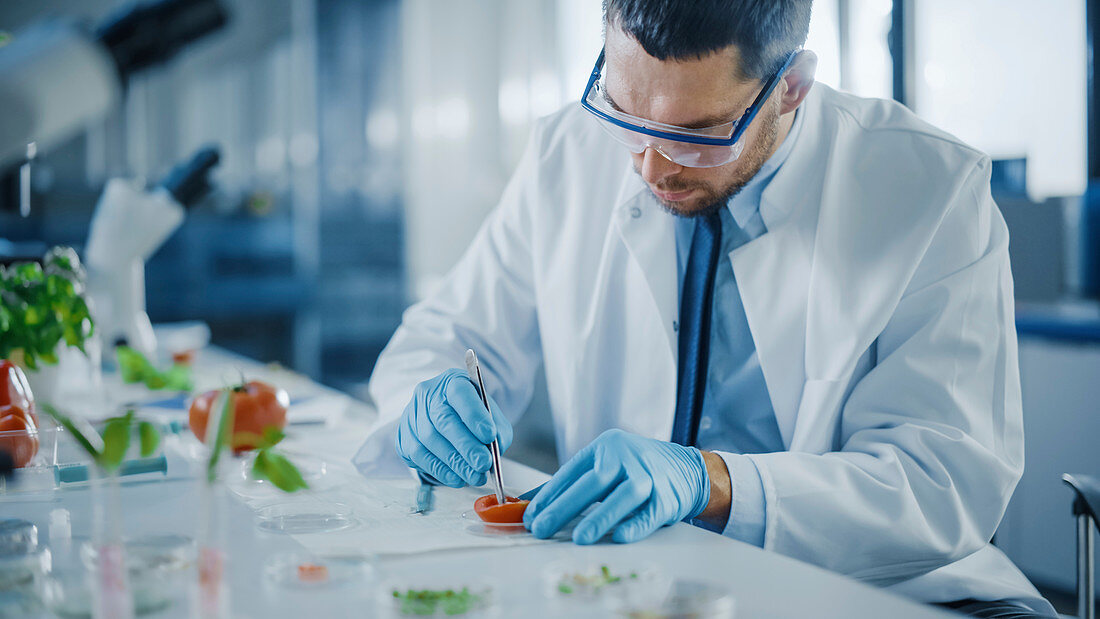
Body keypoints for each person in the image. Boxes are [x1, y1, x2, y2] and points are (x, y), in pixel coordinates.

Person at [354, 1, 1055, 616]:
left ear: (792, 89)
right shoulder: (566, 152)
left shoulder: (928, 188)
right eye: (625, 114)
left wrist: (712, 481)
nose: (652, 166)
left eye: (695, 133)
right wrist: (432, 398)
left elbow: (942, 482)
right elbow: (447, 336)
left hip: (887, 592)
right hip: (636, 584)